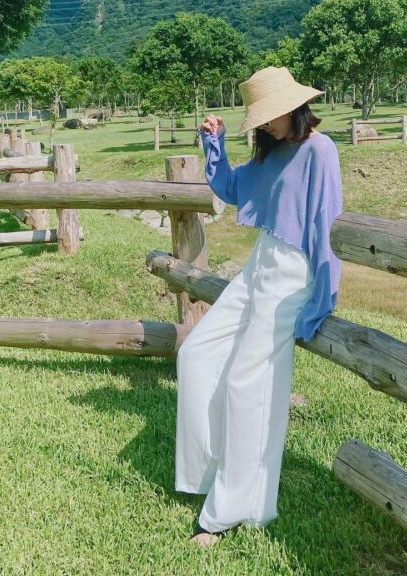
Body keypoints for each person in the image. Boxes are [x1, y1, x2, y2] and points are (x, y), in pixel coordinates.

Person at [174, 65, 343, 546]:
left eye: (271, 116)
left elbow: (326, 228)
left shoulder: (320, 150)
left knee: (248, 384)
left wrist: (321, 300)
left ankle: (229, 512)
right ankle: (209, 476)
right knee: (197, 354)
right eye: (261, 119)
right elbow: (230, 187)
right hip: (258, 265)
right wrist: (215, 145)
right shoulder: (269, 153)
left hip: (293, 275)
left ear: (295, 107)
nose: (266, 125)